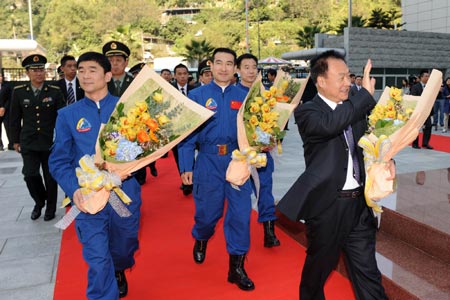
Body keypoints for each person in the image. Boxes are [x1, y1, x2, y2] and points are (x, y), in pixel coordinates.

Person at [277, 50, 395, 300]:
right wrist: (363, 97)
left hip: (359, 207)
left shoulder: (356, 105)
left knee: (368, 274)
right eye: (341, 78)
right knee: (317, 272)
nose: (348, 83)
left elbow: (374, 140)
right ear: (320, 81)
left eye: (349, 77)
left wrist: (387, 158)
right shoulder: (308, 112)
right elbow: (331, 124)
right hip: (327, 208)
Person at [49, 52, 142, 299]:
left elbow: (144, 148)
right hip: (88, 198)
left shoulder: (128, 109)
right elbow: (58, 161)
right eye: (81, 70)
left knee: (124, 247)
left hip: (123, 196)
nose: (85, 75)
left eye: (92, 70)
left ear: (108, 75)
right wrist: (74, 189)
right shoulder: (67, 115)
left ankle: (119, 268)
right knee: (98, 258)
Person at [178, 47, 255, 291]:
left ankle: (237, 268)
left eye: (229, 63)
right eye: (218, 62)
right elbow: (187, 135)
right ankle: (201, 237)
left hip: (237, 161)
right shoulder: (197, 96)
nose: (223, 68)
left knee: (241, 216)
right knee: (208, 215)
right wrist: (186, 165)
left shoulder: (246, 96)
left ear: (235, 68)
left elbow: (256, 128)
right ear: (210, 65)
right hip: (208, 162)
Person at [9, 54, 65, 221]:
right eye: (34, 70)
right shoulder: (19, 92)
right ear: (28, 73)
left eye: (41, 70)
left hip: (50, 142)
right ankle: (39, 201)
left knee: (50, 176)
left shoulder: (54, 91)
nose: (38, 73)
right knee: (30, 174)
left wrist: (62, 139)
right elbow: (14, 118)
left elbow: (62, 117)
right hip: (29, 141)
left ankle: (51, 208)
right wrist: (15, 141)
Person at [236, 53, 280, 248]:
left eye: (254, 67)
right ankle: (239, 235)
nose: (251, 70)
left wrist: (269, 140)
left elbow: (270, 123)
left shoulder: (266, 95)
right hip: (238, 155)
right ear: (237, 70)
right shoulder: (231, 93)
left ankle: (269, 231)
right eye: (246, 67)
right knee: (241, 195)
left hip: (261, 153)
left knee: (265, 191)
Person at [128, 62, 158, 177]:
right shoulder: (130, 88)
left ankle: (152, 164)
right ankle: (141, 173)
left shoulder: (152, 87)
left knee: (149, 146)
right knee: (138, 146)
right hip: (135, 123)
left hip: (149, 122)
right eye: (137, 74)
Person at [173, 63, 194, 195]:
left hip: (194, 129)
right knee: (179, 155)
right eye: (179, 74)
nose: (182, 76)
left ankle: (193, 179)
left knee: (193, 155)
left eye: (184, 74)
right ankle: (184, 180)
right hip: (176, 129)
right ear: (175, 76)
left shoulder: (195, 89)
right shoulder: (169, 90)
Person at [411, 70, 433, 149]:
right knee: (416, 127)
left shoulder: (430, 87)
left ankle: (425, 143)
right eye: (426, 76)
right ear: (421, 77)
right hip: (418, 110)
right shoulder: (415, 87)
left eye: (428, 76)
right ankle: (415, 143)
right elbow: (413, 98)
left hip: (427, 110)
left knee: (429, 126)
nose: (428, 77)